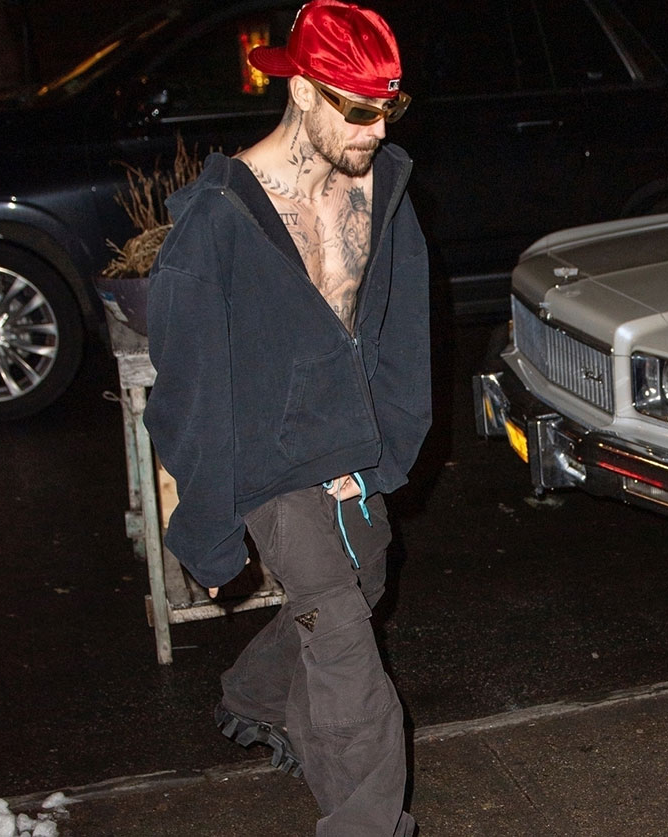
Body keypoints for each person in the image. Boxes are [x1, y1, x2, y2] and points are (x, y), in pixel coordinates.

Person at [144, 1, 431, 833]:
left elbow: (401, 332)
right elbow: (189, 389)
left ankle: (261, 691)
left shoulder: (383, 192)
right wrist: (204, 524)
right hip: (268, 456)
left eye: (390, 106)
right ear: (302, 90)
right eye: (358, 108)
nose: (377, 129)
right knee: (345, 652)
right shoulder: (218, 221)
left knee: (365, 576)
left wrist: (383, 449)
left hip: (350, 443)